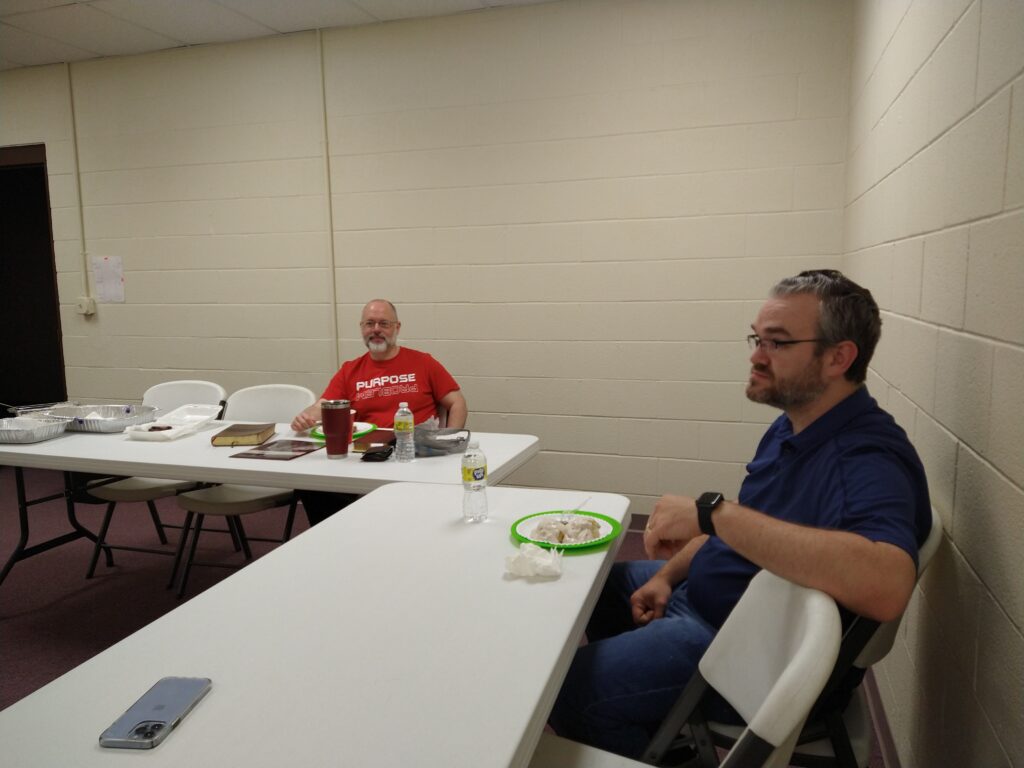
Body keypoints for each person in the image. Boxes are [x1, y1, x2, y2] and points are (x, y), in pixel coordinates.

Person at [548, 270, 932, 758]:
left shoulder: (864, 458)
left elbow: (888, 583)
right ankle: (643, 721)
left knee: (571, 694)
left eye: (777, 343)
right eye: (757, 338)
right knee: (591, 589)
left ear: (839, 357)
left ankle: (650, 737)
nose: (755, 356)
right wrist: (669, 575)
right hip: (712, 600)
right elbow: (753, 529)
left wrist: (712, 515)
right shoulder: (792, 425)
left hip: (743, 650)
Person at [291, 299, 467, 525]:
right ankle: (339, 538)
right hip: (367, 457)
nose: (376, 330)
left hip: (414, 454)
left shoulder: (423, 362)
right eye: (369, 323)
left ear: (397, 327)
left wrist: (447, 441)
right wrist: (305, 417)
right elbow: (323, 406)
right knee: (312, 484)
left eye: (383, 323)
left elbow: (457, 403)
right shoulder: (350, 370)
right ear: (362, 328)